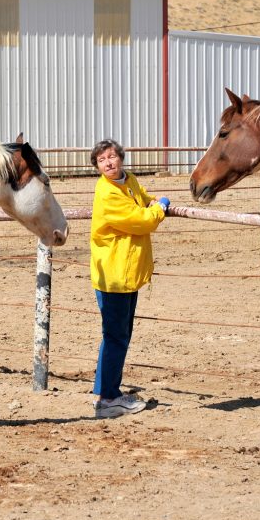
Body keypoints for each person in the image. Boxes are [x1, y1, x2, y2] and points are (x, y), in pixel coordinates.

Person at [89, 139, 170, 419]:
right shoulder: (108, 193)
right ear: (97, 167)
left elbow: (144, 197)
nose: (109, 163)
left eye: (112, 157)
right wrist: (161, 209)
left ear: (121, 159)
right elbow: (143, 220)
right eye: (102, 160)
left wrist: (153, 202)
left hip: (127, 271)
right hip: (114, 272)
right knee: (116, 337)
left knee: (117, 335)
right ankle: (108, 398)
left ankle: (105, 391)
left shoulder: (129, 180)